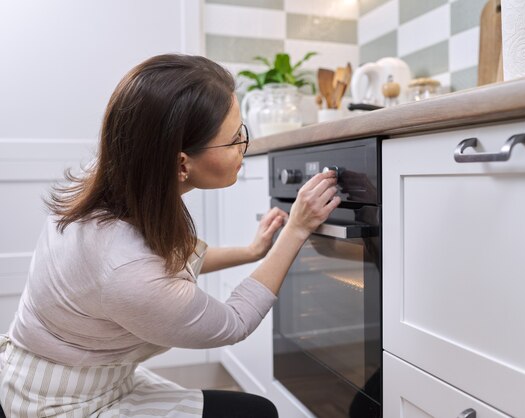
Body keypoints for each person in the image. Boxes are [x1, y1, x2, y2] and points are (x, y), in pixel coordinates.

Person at [0, 54, 340, 417]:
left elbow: (165, 265)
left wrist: (252, 250)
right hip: (62, 401)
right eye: (235, 139)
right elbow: (234, 322)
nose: (245, 146)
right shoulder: (125, 267)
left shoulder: (120, 181)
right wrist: (297, 229)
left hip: (91, 377)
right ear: (181, 164)